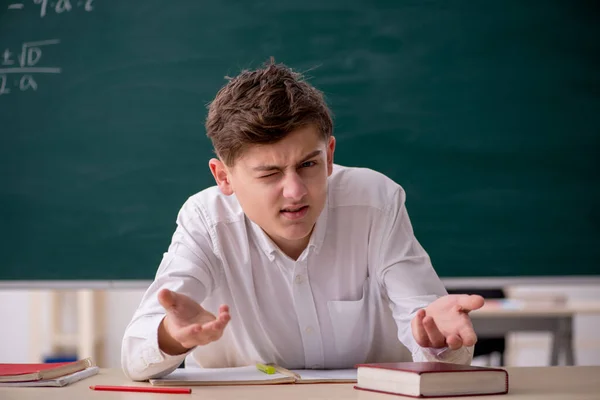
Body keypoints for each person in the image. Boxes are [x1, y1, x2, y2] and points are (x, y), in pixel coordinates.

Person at [121, 60, 484, 381]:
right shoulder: (205, 220)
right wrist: (169, 335)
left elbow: (430, 332)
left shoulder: (375, 201)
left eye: (308, 165)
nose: (295, 191)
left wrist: (438, 343)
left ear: (329, 156)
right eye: (270, 173)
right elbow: (136, 358)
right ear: (224, 177)